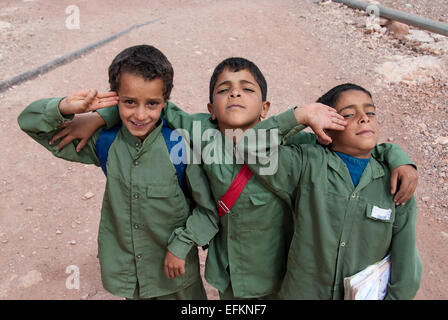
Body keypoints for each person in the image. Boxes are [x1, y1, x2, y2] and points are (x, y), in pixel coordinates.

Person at [50, 57, 418, 299]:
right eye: (224, 90)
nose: (236, 93)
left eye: (247, 89)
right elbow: (149, 104)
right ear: (210, 109)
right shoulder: (199, 131)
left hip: (281, 277)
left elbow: (354, 147)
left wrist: (396, 155)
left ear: (267, 109)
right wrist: (102, 116)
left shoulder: (294, 147)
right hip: (228, 274)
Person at [17, 45, 219, 300]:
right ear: (115, 98)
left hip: (177, 281)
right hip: (130, 278)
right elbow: (30, 124)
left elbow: (209, 210)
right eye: (129, 102)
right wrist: (67, 107)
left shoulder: (181, 146)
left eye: (152, 103)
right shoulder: (106, 143)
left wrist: (181, 246)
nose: (140, 114)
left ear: (164, 102)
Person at [239, 83, 422, 299]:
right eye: (349, 114)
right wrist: (302, 115)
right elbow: (249, 145)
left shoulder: (396, 184)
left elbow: (406, 270)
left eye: (370, 111)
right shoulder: (307, 164)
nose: (364, 118)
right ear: (326, 129)